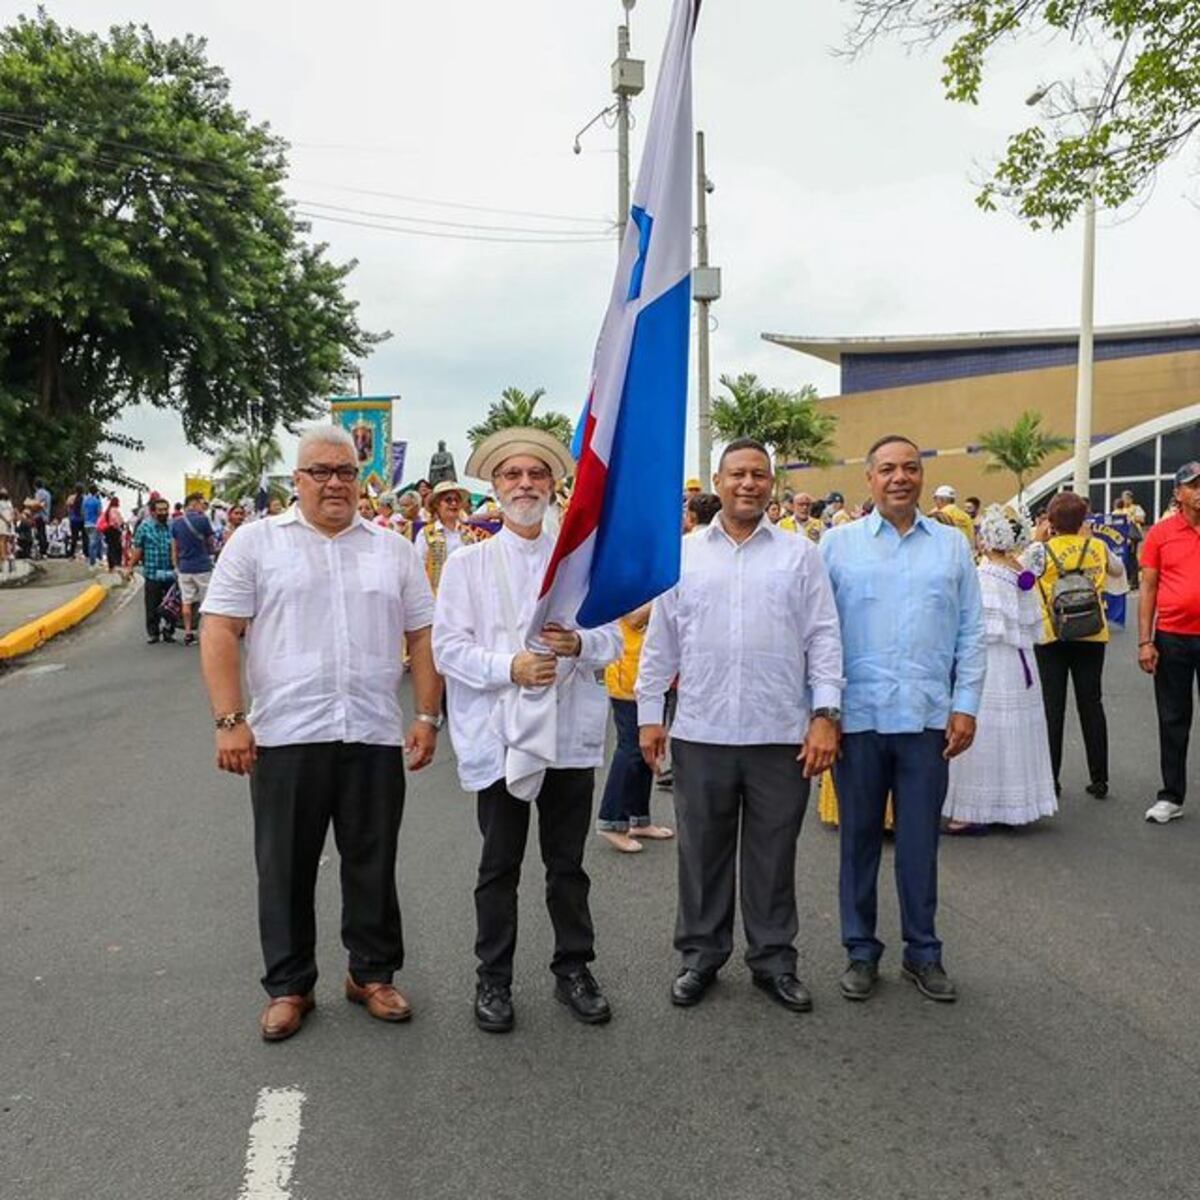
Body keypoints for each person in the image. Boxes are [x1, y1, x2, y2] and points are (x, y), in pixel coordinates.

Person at [199, 425, 441, 1042]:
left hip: (371, 731)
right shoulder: (256, 543)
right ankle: (289, 986)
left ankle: (371, 973)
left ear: (360, 480)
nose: (335, 483)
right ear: (297, 479)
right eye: (321, 472)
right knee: (284, 866)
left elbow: (422, 635)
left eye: (345, 472)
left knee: (372, 860)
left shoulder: (393, 550)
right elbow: (220, 628)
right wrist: (230, 721)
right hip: (286, 734)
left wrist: (425, 715)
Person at [638, 438, 844, 1013]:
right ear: (718, 482)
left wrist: (825, 714)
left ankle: (774, 960)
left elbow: (824, 636)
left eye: (758, 474)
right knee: (701, 854)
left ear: (771, 484)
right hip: (701, 732)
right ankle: (700, 956)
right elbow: (661, 640)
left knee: (773, 855)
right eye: (737, 474)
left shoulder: (800, 555)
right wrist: (650, 716)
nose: (748, 483)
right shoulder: (682, 555)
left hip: (779, 732)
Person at [433, 427, 621, 1035]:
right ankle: (493, 978)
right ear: (494, 486)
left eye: (536, 474)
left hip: (566, 734)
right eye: (512, 474)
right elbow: (447, 649)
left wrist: (579, 644)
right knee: (499, 865)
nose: (524, 484)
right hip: (500, 735)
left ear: (553, 483)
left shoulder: (580, 564)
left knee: (567, 864)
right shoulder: (467, 565)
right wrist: (508, 667)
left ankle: (574, 969)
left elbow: (613, 639)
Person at [821, 435, 985, 1004]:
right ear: (869, 478)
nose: (900, 477)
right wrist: (822, 712)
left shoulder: (952, 547)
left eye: (910, 468)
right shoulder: (837, 546)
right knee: (858, 842)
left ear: (922, 477)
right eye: (888, 468)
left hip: (926, 720)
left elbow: (971, 631)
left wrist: (965, 704)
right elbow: (818, 634)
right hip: (857, 721)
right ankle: (860, 950)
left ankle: (923, 952)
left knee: (919, 844)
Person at [942, 505, 1057, 831]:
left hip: (992, 661)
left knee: (983, 728)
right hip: (1021, 662)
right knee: (1015, 729)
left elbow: (977, 627)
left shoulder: (985, 575)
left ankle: (973, 810)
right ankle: (1012, 806)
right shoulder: (1020, 571)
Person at [1025, 492, 1122, 799]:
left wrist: (1035, 541)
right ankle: (1099, 778)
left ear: (1050, 521)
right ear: (1083, 520)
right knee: (1091, 704)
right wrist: (1088, 540)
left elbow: (1023, 581)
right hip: (1092, 633)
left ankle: (1050, 780)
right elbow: (1118, 571)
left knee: (1052, 708)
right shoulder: (1097, 546)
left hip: (1052, 634)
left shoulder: (1040, 551)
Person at [1138, 462, 1200, 824]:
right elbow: (1148, 587)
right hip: (1173, 637)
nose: (1199, 492)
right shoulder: (1160, 533)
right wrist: (1145, 641)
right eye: (1193, 486)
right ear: (1178, 493)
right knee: (1173, 718)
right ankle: (1171, 796)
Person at [596, 603, 675, 853]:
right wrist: (667, 597)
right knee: (630, 747)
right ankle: (611, 820)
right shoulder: (630, 581)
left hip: (653, 674)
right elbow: (633, 617)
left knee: (646, 751)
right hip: (628, 673)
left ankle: (638, 819)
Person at [418, 480, 480, 594]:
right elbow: (418, 567)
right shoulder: (425, 533)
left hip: (465, 594)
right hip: (436, 595)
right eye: (448, 500)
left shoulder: (469, 533)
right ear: (437, 504)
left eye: (457, 500)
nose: (454, 503)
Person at [130, 497, 178, 644]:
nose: (163, 513)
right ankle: (153, 633)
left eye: (165, 510)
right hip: (152, 573)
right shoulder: (144, 527)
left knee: (172, 605)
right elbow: (138, 549)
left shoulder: (173, 526)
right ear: (152, 512)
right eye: (160, 510)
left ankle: (169, 631)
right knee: (152, 605)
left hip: (170, 572)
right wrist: (130, 566)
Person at [171, 492, 215, 646]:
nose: (203, 506)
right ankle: (206, 631)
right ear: (194, 503)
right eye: (201, 503)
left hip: (184, 567)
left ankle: (188, 633)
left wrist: (176, 565)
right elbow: (210, 542)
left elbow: (174, 547)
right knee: (206, 601)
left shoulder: (176, 522)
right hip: (202, 566)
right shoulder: (203, 520)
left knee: (186, 601)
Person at [98, 496, 125, 570]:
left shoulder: (108, 510)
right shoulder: (114, 510)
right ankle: (116, 563)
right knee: (117, 547)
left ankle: (111, 564)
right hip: (113, 530)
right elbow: (115, 519)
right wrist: (119, 524)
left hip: (108, 530)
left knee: (110, 547)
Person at [81, 485, 102, 566]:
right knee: (93, 543)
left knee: (89, 541)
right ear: (96, 491)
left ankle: (90, 559)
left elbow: (82, 512)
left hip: (86, 523)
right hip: (94, 524)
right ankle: (92, 561)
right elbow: (99, 513)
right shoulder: (97, 501)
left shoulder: (85, 500)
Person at [0, 487, 14, 566]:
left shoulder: (9, 502)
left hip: (9, 522)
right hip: (2, 521)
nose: (4, 492)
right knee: (2, 539)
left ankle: (6, 554)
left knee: (7, 539)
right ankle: (2, 555)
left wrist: (10, 519)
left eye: (5, 491)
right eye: (2, 491)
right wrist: (6, 520)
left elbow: (12, 512)